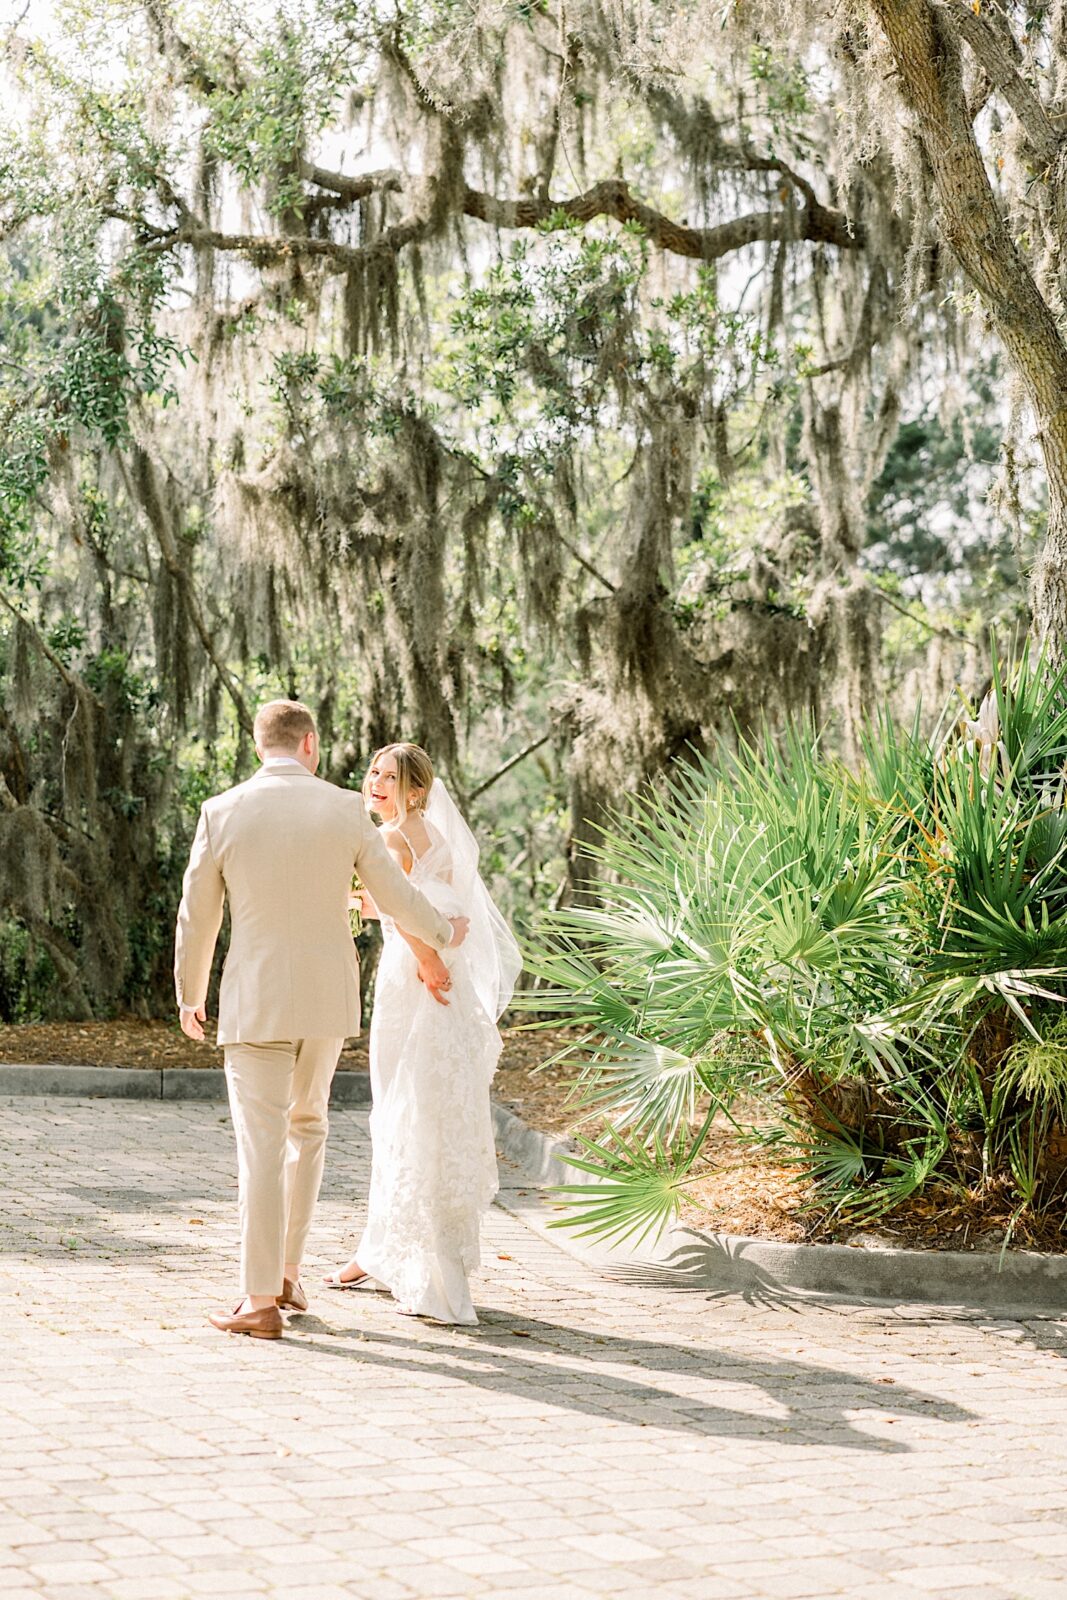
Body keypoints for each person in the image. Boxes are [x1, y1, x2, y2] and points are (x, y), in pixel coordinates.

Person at [174, 702, 469, 1340]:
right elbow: (394, 892)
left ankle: (258, 1302)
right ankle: (286, 1273)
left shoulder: (221, 812)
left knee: (260, 1145)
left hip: (254, 1001)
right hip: (327, 999)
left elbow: (198, 915)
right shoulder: (344, 809)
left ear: (261, 746)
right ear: (309, 744)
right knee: (308, 1128)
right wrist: (444, 933)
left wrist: (189, 993)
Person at [324, 743, 522, 1325]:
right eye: (375, 773)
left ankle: (397, 1258)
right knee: (421, 1113)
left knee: (402, 1112)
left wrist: (428, 959)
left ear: (417, 791)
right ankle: (382, 1249)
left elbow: (403, 916)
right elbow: (455, 922)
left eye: (393, 778)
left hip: (414, 983)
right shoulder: (441, 843)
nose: (377, 783)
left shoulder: (390, 839)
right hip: (440, 990)